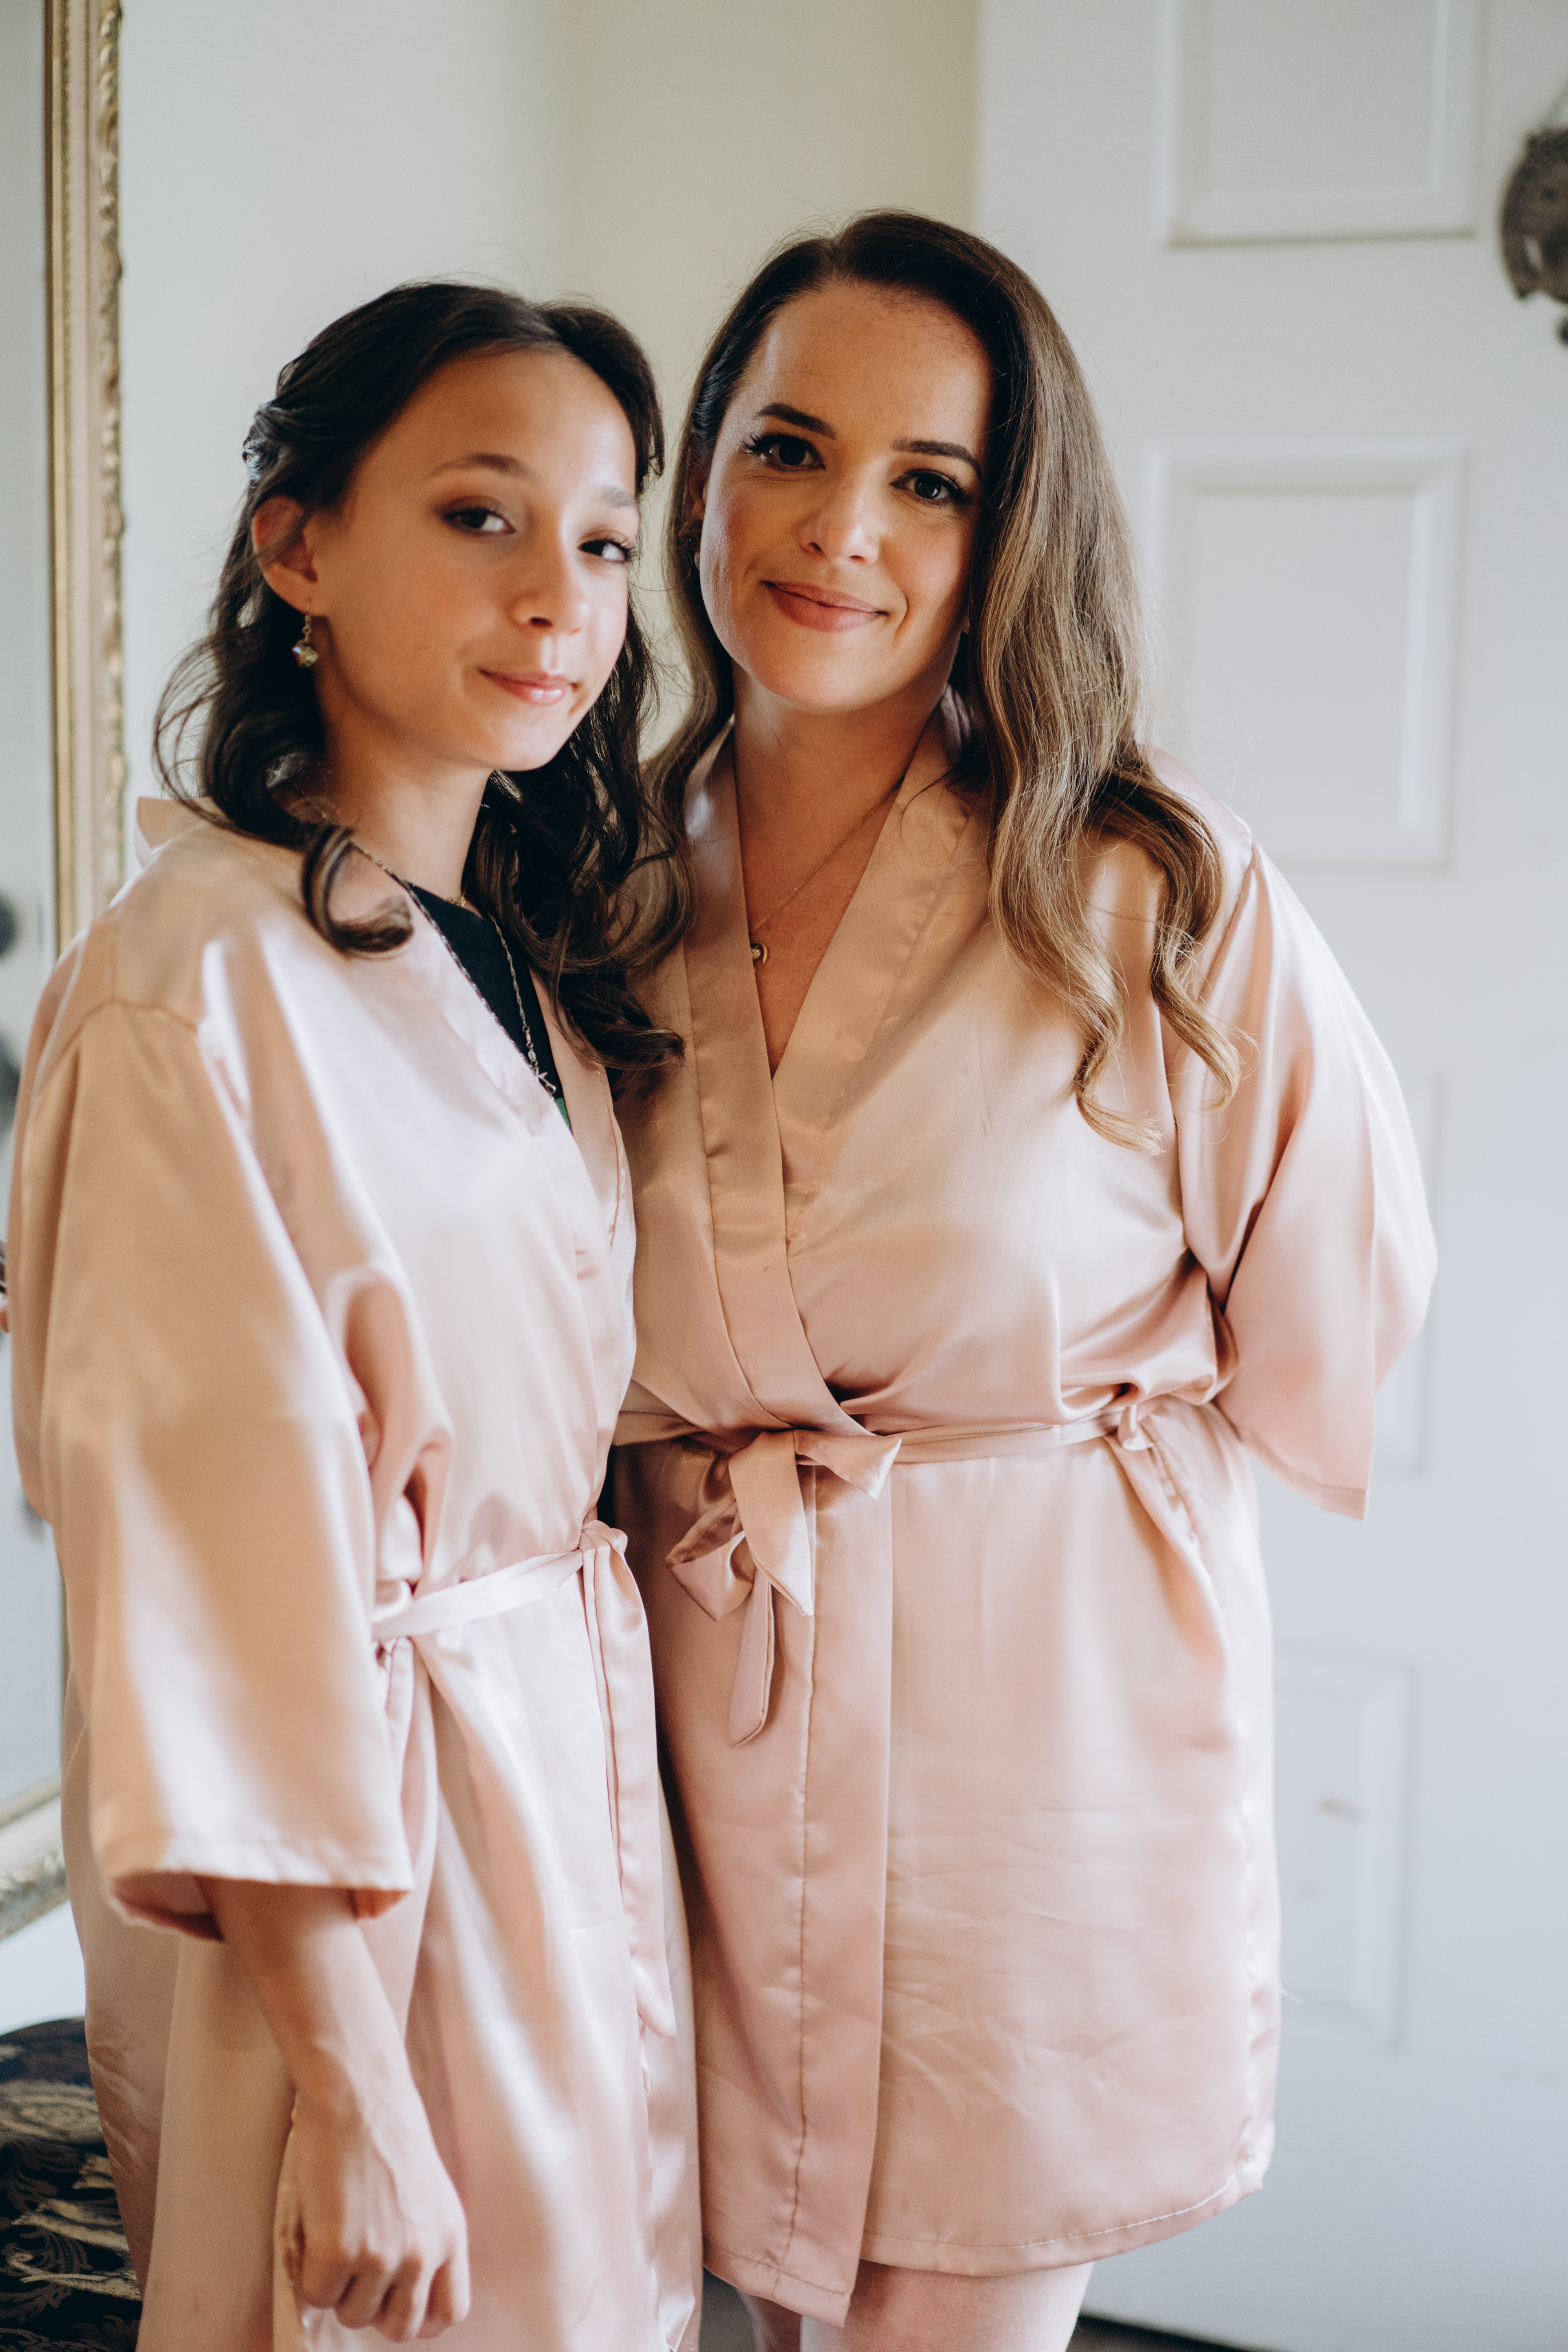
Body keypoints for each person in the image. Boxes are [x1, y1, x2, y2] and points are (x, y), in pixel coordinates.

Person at [608, 213, 1437, 2352]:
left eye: (932, 482)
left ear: (1009, 538)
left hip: (1033, 1745)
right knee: (741, 2298)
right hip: (696, 1723)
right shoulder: (588, 879)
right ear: (699, 476)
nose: (841, 532)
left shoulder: (1143, 884)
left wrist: (1057, 1448)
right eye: (788, 449)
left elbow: (1339, 1287)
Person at [5, 284, 700, 2351]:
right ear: (296, 547)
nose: (560, 596)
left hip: (550, 1784)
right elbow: (206, 1581)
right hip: (347, 1878)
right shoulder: (191, 986)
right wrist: (350, 2078)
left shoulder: (509, 956)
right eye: (482, 516)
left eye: (602, 539)